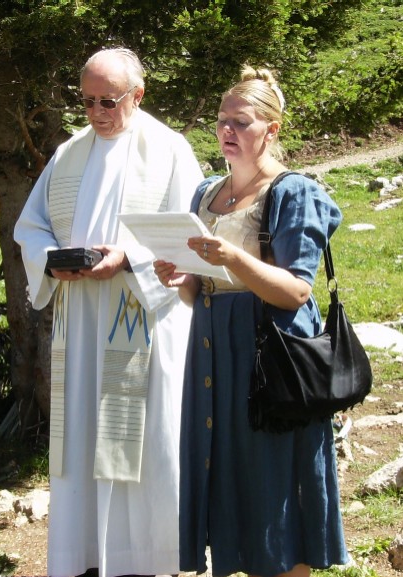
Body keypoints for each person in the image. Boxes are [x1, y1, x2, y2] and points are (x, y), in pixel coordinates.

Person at [14, 47, 203, 577]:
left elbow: (188, 234)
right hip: (80, 325)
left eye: (109, 101)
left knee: (145, 448)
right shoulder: (70, 153)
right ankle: (85, 561)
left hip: (140, 322)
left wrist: (129, 258)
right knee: (81, 440)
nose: (97, 112)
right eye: (88, 101)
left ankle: (148, 560)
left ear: (138, 96)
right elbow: (29, 228)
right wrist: (54, 262)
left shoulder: (169, 151)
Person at [153, 66, 348, 577]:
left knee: (275, 486)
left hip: (272, 359)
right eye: (222, 121)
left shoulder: (291, 193)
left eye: (241, 122)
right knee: (231, 482)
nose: (227, 132)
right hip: (215, 354)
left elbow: (296, 291)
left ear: (272, 130)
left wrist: (230, 260)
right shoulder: (206, 195)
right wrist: (185, 277)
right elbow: (205, 293)